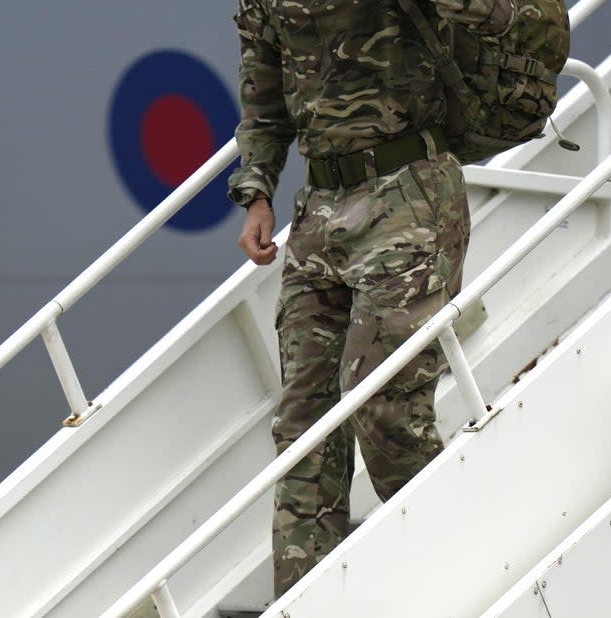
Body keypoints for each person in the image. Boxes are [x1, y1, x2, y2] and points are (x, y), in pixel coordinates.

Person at [228, 0, 514, 598]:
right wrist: (257, 191)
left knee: (386, 408)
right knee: (304, 429)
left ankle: (462, 582)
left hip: (408, 192)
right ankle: (308, 603)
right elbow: (265, 93)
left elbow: (498, 16)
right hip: (320, 212)